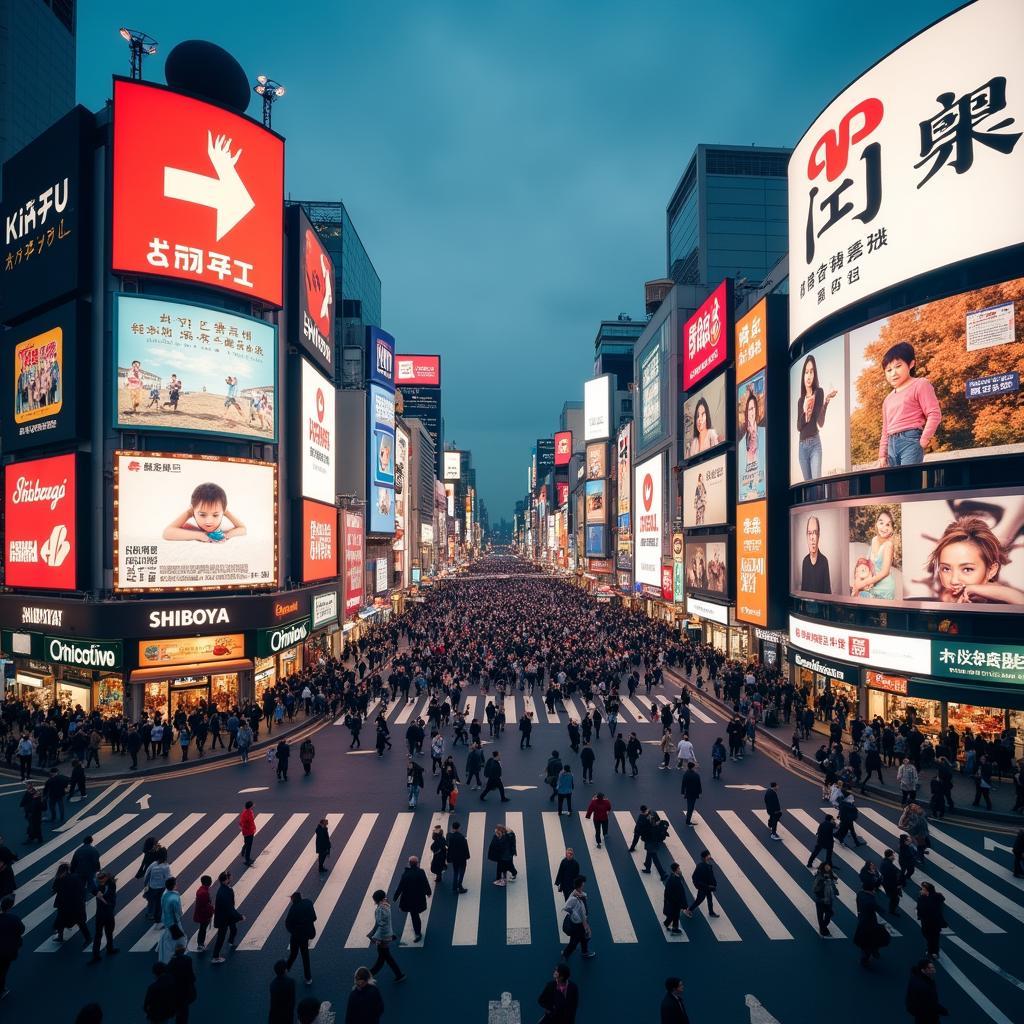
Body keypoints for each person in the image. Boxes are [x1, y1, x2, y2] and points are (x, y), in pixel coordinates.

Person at [926, 514, 1024, 605]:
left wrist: (974, 589)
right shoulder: (945, 597)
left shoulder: (1002, 596)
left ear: (991, 570)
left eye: (967, 569)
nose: (954, 580)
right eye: (946, 569)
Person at [877, 341, 940, 468]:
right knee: (896, 485)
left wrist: (923, 440)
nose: (893, 373)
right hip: (891, 445)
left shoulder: (920, 384)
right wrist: (882, 455)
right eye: (889, 370)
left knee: (909, 482)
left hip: (910, 440)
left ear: (911, 364)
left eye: (898, 366)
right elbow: (885, 429)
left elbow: (934, 414)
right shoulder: (887, 399)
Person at [796, 353, 837, 481]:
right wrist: (805, 413)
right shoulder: (800, 400)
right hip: (802, 447)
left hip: (814, 444)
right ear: (803, 375)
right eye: (806, 372)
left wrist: (826, 401)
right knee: (808, 487)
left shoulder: (819, 392)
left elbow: (820, 422)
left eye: (811, 372)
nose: (809, 376)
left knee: (816, 485)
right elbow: (798, 426)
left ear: (815, 374)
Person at [162, 481, 247, 543]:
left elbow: (243, 529)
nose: (209, 522)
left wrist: (227, 535)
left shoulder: (224, 528)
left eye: (215, 515)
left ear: (223, 512)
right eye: (202, 515)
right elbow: (167, 533)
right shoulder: (190, 524)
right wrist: (199, 535)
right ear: (193, 510)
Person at [851, 510, 896, 600]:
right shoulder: (874, 539)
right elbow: (868, 563)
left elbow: (884, 572)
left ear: (892, 529)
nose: (884, 527)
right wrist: (858, 580)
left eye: (888, 524)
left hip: (885, 589)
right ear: (876, 524)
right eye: (881, 523)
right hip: (871, 585)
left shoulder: (888, 545)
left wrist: (863, 583)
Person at [367, 890, 405, 982]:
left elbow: (381, 924)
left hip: (383, 937)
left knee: (383, 957)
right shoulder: (386, 905)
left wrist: (376, 938)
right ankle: (398, 974)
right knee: (384, 957)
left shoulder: (380, 909)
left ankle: (368, 975)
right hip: (386, 935)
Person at [393, 855, 431, 942]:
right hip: (419, 898)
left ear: (409, 863)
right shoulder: (421, 872)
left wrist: (395, 897)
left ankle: (418, 933)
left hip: (408, 899)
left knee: (414, 915)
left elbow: (400, 886)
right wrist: (428, 892)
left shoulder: (406, 874)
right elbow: (425, 882)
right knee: (416, 914)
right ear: (417, 863)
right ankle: (418, 932)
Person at [284, 890, 316, 985]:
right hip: (306, 934)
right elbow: (314, 917)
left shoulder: (293, 909)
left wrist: (294, 931)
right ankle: (308, 978)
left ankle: (285, 969)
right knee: (305, 956)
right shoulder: (308, 903)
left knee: (293, 954)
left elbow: (288, 924)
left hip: (296, 936)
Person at [210, 871, 243, 964]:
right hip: (224, 918)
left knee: (234, 929)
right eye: (229, 877)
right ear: (225, 880)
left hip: (227, 916)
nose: (231, 878)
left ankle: (230, 941)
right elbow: (229, 907)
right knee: (221, 937)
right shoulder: (224, 892)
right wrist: (240, 916)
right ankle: (215, 956)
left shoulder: (225, 889)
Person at [905, 957, 948, 1024]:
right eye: (930, 968)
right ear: (923, 970)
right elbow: (930, 1004)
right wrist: (942, 1010)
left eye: (933, 967)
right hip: (926, 1015)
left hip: (918, 1011)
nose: (934, 970)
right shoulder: (924, 987)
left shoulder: (916, 977)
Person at [561, 876, 595, 960]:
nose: (583, 887)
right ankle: (566, 954)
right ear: (579, 886)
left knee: (582, 938)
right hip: (578, 923)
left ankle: (584, 951)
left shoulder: (578, 894)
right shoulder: (575, 898)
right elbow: (567, 908)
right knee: (575, 941)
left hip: (578, 922)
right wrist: (586, 926)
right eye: (582, 885)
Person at [854, 883, 886, 968]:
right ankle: (866, 957)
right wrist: (883, 911)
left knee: (866, 940)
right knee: (869, 940)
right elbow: (876, 907)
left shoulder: (860, 894)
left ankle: (871, 952)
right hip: (868, 923)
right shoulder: (870, 900)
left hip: (863, 919)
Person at [88, 871, 118, 963]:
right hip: (105, 913)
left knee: (101, 934)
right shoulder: (108, 886)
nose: (99, 880)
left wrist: (100, 897)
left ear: (105, 878)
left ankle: (97, 954)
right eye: (99, 879)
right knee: (105, 933)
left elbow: (105, 899)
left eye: (101, 878)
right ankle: (108, 949)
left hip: (104, 913)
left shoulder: (106, 887)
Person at [0, 895, 25, 998]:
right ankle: (1, 990)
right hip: (7, 950)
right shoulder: (14, 919)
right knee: (3, 970)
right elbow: (21, 930)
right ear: (10, 907)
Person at [800, 515, 832, 594]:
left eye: (815, 533)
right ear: (806, 536)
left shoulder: (824, 561)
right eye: (809, 533)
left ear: (819, 535)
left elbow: (827, 592)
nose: (812, 537)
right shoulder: (805, 561)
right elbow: (803, 590)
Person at [167, 941, 197, 1023]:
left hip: (176, 989)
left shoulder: (171, 962)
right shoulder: (187, 959)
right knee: (184, 1011)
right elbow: (190, 974)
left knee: (178, 1010)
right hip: (185, 989)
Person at [158, 877, 185, 965]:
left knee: (169, 936)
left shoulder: (165, 895)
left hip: (166, 920)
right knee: (179, 939)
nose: (177, 884)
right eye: (175, 883)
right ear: (173, 885)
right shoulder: (174, 898)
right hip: (174, 922)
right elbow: (178, 911)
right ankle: (172, 957)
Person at [916, 882, 947, 961]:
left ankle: (933, 952)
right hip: (929, 921)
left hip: (932, 921)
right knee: (930, 936)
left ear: (927, 891)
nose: (921, 890)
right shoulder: (931, 897)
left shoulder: (930, 899)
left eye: (923, 889)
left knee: (933, 937)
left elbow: (924, 909)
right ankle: (932, 950)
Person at [685, 849, 719, 918]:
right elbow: (694, 877)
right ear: (705, 857)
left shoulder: (709, 864)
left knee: (709, 899)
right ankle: (688, 910)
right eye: (708, 855)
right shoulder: (700, 866)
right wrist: (706, 886)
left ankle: (711, 912)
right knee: (699, 900)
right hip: (704, 887)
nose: (710, 856)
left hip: (708, 887)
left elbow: (710, 875)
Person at [811, 863, 838, 937]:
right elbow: (815, 889)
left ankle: (823, 928)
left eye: (829, 866)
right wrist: (823, 883)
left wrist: (835, 890)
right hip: (821, 899)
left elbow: (833, 885)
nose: (828, 867)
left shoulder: (831, 875)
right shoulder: (819, 877)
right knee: (820, 915)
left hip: (829, 899)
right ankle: (823, 930)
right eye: (826, 866)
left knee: (829, 914)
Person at [642, 811, 669, 881]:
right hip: (653, 844)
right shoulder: (656, 827)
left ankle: (662, 873)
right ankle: (647, 867)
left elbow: (645, 835)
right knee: (649, 855)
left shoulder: (651, 827)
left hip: (651, 844)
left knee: (655, 859)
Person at [268, 960, 296, 1024]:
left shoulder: (273, 984)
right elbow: (292, 1000)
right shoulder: (290, 982)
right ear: (285, 971)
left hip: (275, 1013)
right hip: (286, 1012)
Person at [446, 820, 470, 894]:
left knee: (455, 872)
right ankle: (460, 886)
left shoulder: (450, 837)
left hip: (454, 858)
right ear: (458, 828)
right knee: (462, 872)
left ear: (452, 827)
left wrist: (449, 858)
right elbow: (465, 848)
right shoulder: (462, 837)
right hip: (462, 858)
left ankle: (454, 887)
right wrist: (467, 856)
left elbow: (449, 848)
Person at [662, 864, 686, 935]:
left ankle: (667, 923)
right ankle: (674, 928)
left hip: (675, 901)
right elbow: (670, 892)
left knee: (673, 914)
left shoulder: (675, 878)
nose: (680, 870)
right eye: (679, 869)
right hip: (675, 901)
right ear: (676, 870)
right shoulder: (673, 880)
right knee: (675, 915)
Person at [192, 875, 213, 952]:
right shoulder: (203, 892)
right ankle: (200, 944)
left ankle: (200, 943)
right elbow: (205, 906)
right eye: (210, 881)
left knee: (202, 928)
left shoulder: (202, 890)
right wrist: (211, 911)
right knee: (203, 929)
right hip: (203, 915)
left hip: (202, 914)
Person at [880, 849, 903, 915]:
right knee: (895, 899)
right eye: (893, 855)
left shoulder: (884, 862)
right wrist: (898, 885)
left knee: (893, 897)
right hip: (890, 885)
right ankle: (892, 911)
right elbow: (893, 878)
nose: (894, 856)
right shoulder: (889, 866)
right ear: (889, 856)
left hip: (887, 884)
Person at [681, 761, 702, 826]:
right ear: (693, 767)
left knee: (690, 806)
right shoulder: (696, 775)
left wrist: (682, 792)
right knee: (691, 807)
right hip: (694, 793)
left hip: (688, 792)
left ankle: (688, 818)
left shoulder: (686, 774)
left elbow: (683, 784)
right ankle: (688, 821)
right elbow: (699, 784)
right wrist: (700, 792)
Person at [239, 801, 257, 866]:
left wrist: (241, 826)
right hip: (249, 832)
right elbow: (250, 823)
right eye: (252, 805)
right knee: (249, 846)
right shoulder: (248, 814)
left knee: (247, 843)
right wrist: (253, 829)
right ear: (250, 806)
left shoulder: (245, 812)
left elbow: (241, 821)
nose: (254, 805)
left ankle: (244, 850)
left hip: (246, 831)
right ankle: (247, 860)